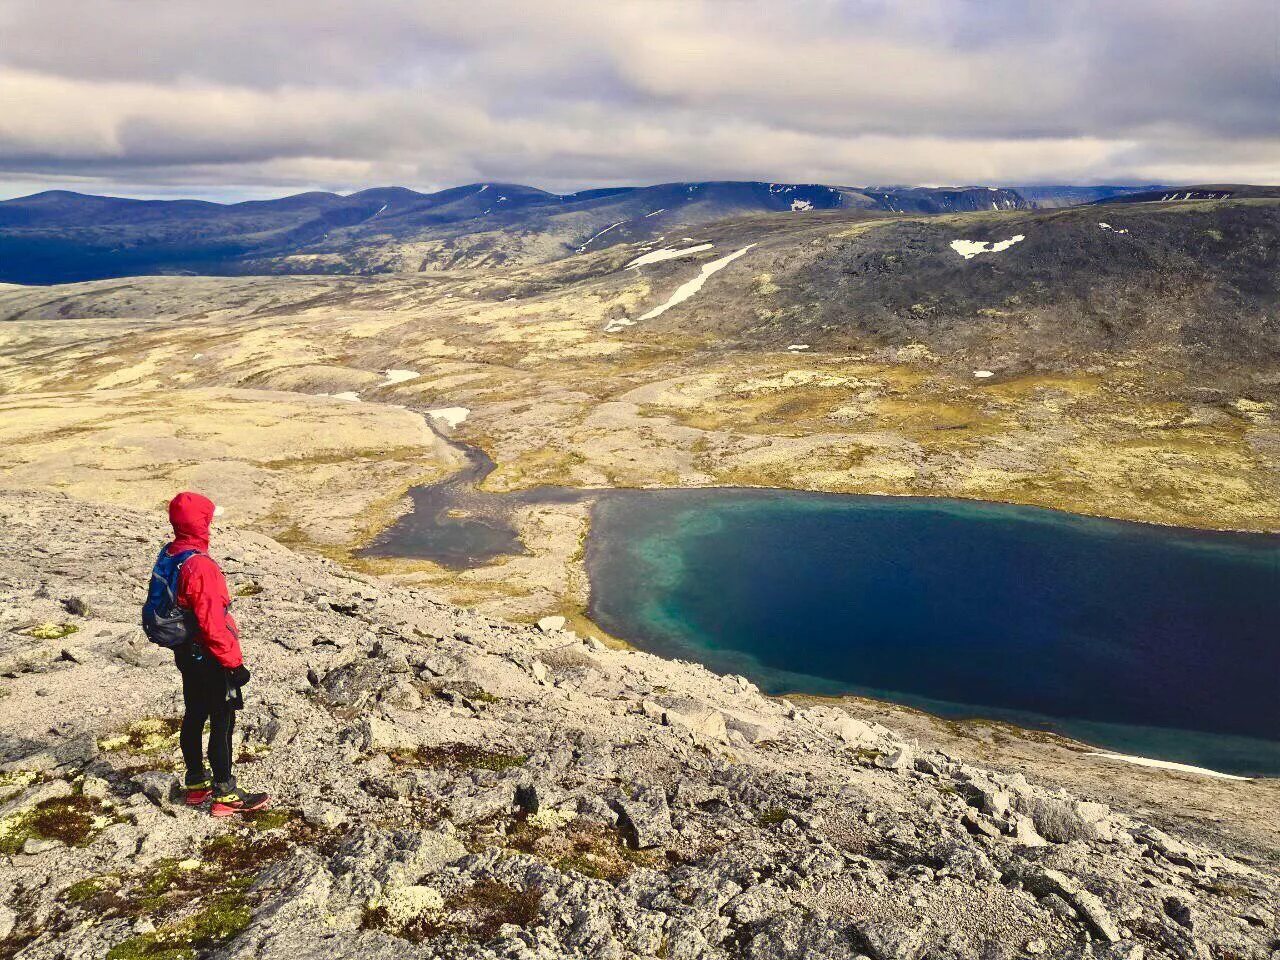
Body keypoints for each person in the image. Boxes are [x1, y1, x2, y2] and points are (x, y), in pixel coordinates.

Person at [161, 491, 270, 816]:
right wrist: (233, 665)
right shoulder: (201, 567)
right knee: (222, 721)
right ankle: (225, 795)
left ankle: (196, 784)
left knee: (194, 715)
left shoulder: (171, 554)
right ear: (202, 524)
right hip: (209, 655)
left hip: (186, 653)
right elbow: (212, 623)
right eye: (208, 521)